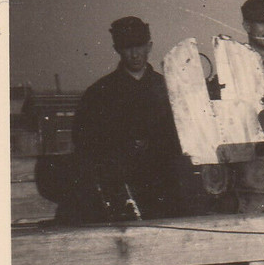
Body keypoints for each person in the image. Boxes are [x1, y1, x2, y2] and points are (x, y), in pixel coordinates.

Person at [58, 16, 186, 222]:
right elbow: (84, 140)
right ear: (117, 49)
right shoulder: (99, 93)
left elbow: (183, 136)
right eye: (127, 48)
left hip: (164, 187)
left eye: (139, 46)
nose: (135, 54)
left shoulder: (169, 89)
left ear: (149, 46)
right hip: (119, 188)